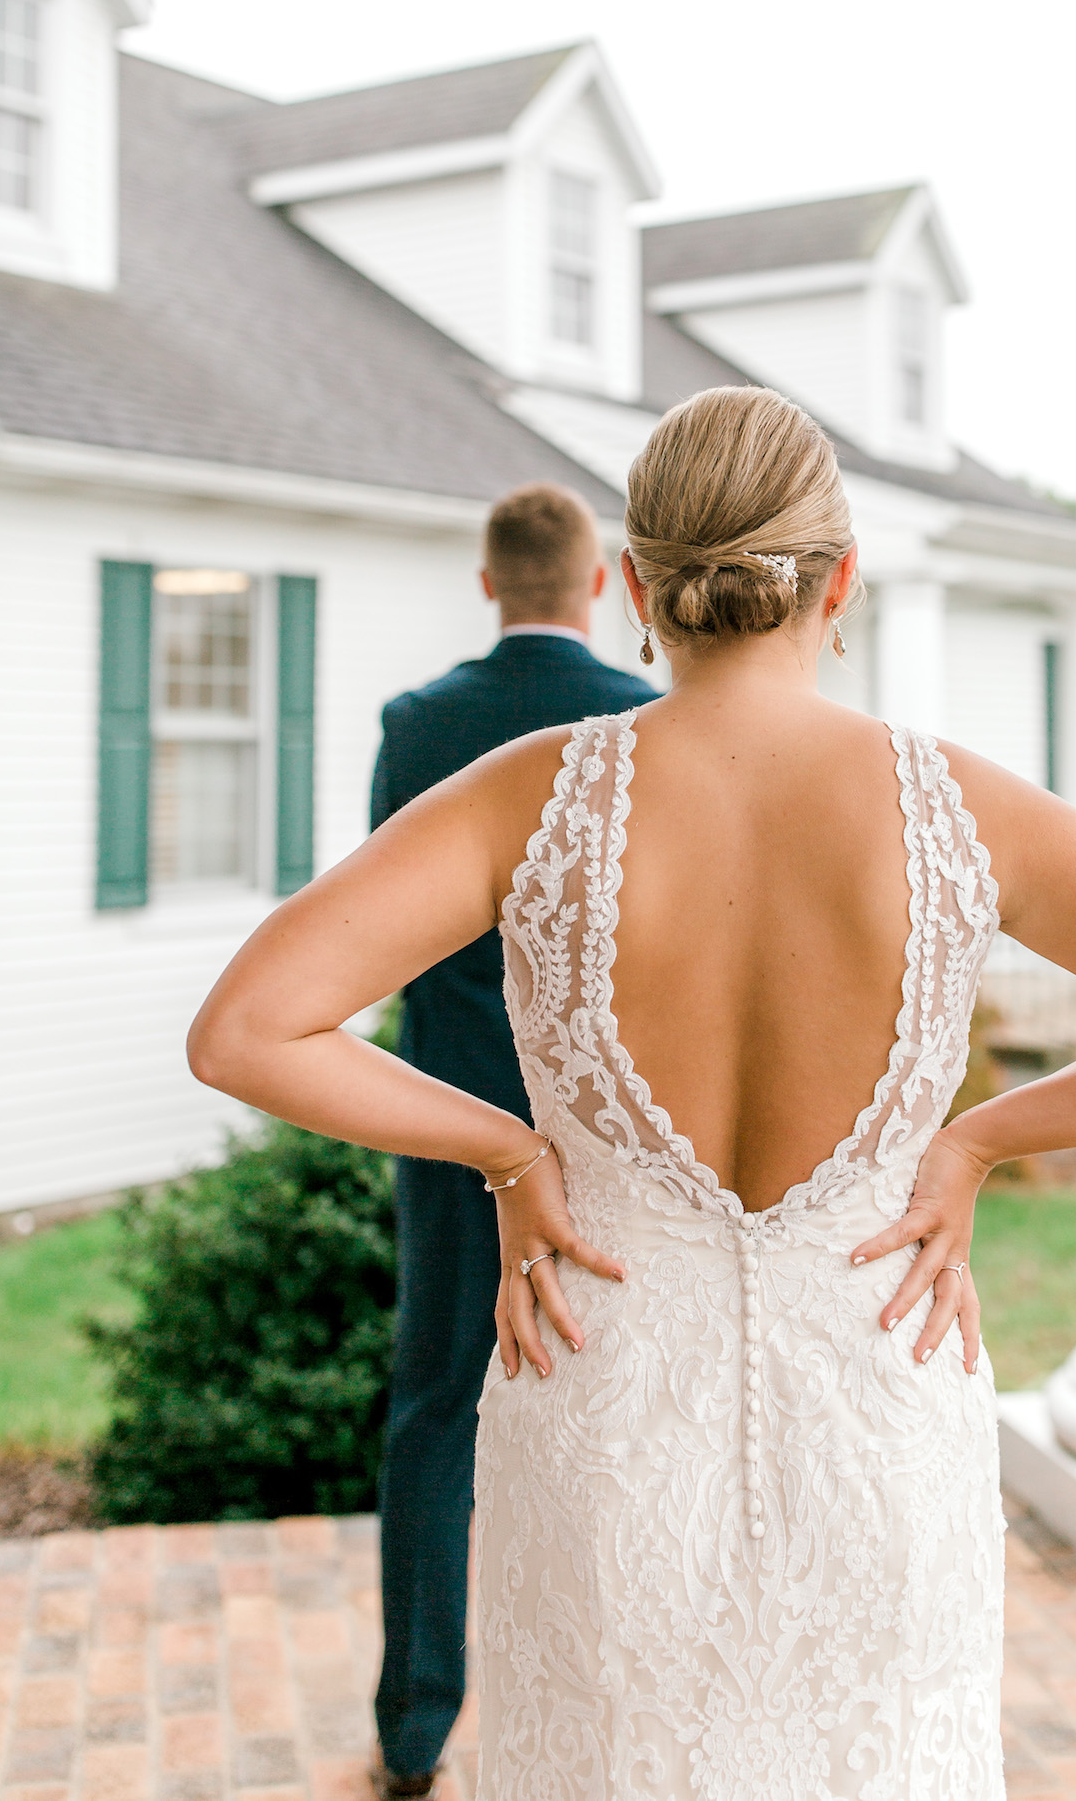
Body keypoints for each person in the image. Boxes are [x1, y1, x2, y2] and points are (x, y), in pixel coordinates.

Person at [188, 386, 1076, 1801]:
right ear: (839, 578)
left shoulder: (524, 796)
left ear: (643, 587)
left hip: (602, 1413)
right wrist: (975, 1143)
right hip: (877, 1414)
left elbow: (245, 1029)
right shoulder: (963, 807)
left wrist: (504, 1150)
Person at [365, 483, 656, 1794]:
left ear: (491, 586)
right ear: (599, 584)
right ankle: (617, 1713)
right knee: (623, 1413)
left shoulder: (418, 727)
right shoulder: (648, 724)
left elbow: (399, 935)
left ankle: (417, 1728)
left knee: (432, 1411)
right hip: (604, 1133)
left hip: (449, 1127)